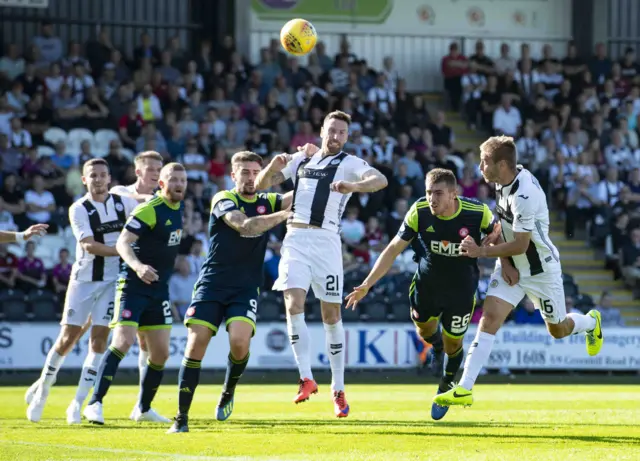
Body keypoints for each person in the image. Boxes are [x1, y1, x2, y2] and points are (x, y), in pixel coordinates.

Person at [434, 136, 602, 409]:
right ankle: (464, 388)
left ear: (501, 165)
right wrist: (505, 255)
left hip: (539, 270)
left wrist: (481, 252)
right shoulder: (506, 179)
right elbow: (508, 223)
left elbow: (523, 243)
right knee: (489, 318)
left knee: (558, 330)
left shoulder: (525, 193)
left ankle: (590, 323)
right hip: (511, 262)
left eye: (485, 161)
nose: (480, 166)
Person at [254, 110, 388, 417]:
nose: (337, 136)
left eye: (342, 132)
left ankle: (338, 388)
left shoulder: (350, 164)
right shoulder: (301, 160)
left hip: (327, 243)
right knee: (293, 303)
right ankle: (306, 378)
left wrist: (352, 187)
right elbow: (261, 187)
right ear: (322, 131)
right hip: (296, 239)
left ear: (347, 135)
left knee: (331, 314)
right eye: (332, 130)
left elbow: (380, 180)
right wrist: (272, 167)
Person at [344, 168, 499, 420]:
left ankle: (445, 385)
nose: (431, 199)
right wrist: (367, 284)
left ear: (453, 194)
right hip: (427, 287)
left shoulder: (477, 212)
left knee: (454, 343)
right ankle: (434, 345)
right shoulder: (419, 211)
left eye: (438, 193)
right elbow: (393, 248)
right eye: (428, 192)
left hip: (461, 289)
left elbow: (498, 235)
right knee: (425, 331)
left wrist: (483, 247)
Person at [168, 151, 293, 433]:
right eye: (244, 173)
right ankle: (181, 417)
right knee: (196, 342)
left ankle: (228, 389)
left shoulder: (266, 201)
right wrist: (285, 214)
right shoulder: (224, 199)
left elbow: (302, 195)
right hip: (213, 283)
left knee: (239, 342)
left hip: (245, 287)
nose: (250, 178)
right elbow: (245, 226)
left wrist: (315, 169)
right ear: (233, 175)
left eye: (255, 172)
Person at [25, 159, 138, 423]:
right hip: (84, 281)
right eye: (92, 176)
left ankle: (77, 403)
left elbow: (143, 214)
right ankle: (42, 392)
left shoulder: (125, 204)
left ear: (109, 178)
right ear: (84, 180)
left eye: (102, 175)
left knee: (99, 341)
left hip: (112, 282)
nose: (98, 179)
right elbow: (89, 245)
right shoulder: (79, 209)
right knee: (67, 338)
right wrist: (125, 252)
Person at [83, 163, 187, 425]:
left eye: (183, 180)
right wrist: (139, 267)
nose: (179, 184)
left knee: (161, 354)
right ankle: (94, 403)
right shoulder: (150, 209)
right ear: (161, 184)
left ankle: (143, 408)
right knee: (123, 341)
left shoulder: (179, 208)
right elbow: (122, 242)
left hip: (159, 290)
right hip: (133, 285)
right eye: (173, 179)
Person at [109, 150, 163, 419]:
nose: (155, 173)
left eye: (158, 169)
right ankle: (82, 398)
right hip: (114, 272)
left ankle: (142, 405)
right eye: (150, 168)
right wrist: (142, 198)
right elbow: (114, 195)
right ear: (138, 170)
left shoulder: (163, 199)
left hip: (147, 274)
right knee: (91, 335)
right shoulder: (122, 191)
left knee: (145, 343)